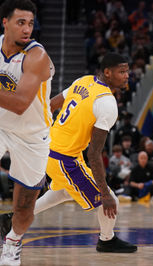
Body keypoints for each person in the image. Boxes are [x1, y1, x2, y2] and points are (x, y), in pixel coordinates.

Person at [1, 53, 137, 257]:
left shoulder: (83, 80)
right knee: (111, 201)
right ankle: (106, 241)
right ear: (107, 72)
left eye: (127, 71)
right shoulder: (107, 102)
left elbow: (51, 105)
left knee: (64, 192)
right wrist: (105, 194)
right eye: (122, 71)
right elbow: (94, 153)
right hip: (66, 159)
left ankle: (11, 218)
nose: (127, 75)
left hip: (50, 150)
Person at [0, 0, 54, 264]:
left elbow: (21, 104)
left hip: (32, 134)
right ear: (5, 23)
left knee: (24, 206)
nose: (27, 29)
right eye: (21, 22)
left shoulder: (37, 56)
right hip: (0, 125)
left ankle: (12, 242)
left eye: (30, 23)